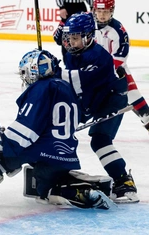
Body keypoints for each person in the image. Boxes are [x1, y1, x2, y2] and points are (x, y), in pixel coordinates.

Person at [0, 49, 115, 210]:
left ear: (33, 70)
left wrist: (1, 142)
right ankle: (83, 191)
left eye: (24, 73)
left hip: (41, 150)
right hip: (66, 153)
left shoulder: (40, 89)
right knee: (47, 187)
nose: (24, 78)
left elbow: (25, 133)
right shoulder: (65, 87)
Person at [59, 11, 139, 203]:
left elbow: (79, 80)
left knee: (100, 140)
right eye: (69, 38)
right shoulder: (73, 52)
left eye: (75, 38)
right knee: (58, 131)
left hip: (111, 100)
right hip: (91, 100)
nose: (71, 42)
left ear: (88, 37)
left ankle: (125, 183)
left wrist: (52, 71)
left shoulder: (100, 56)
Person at [93, 0, 149, 130]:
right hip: (93, 70)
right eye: (99, 11)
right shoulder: (89, 25)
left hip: (114, 70)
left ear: (111, 11)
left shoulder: (117, 30)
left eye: (105, 12)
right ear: (94, 11)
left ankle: (146, 116)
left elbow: (120, 58)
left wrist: (105, 72)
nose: (102, 15)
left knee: (132, 92)